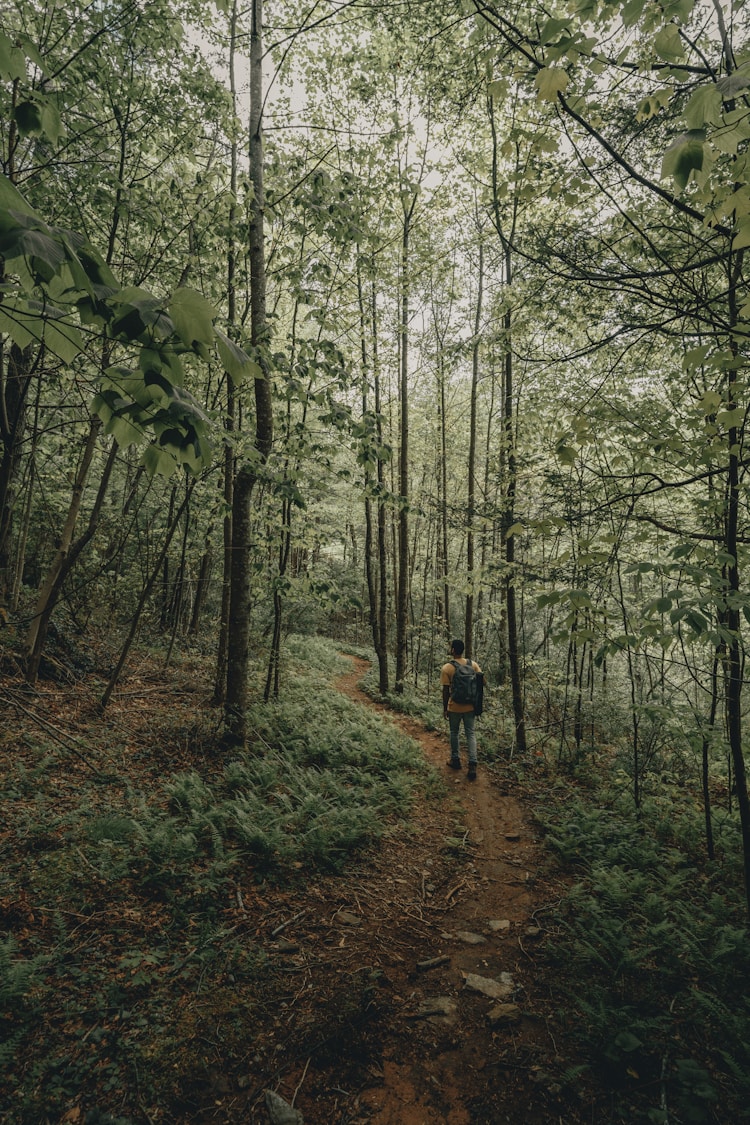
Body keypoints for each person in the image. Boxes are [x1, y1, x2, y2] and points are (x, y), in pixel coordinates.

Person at [441, 639, 483, 781]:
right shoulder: (473, 665)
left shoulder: (447, 668)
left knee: (454, 732)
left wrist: (445, 708)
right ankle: (472, 765)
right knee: (470, 733)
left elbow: (445, 691)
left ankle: (455, 760)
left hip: (454, 706)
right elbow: (483, 682)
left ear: (453, 650)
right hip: (470, 706)